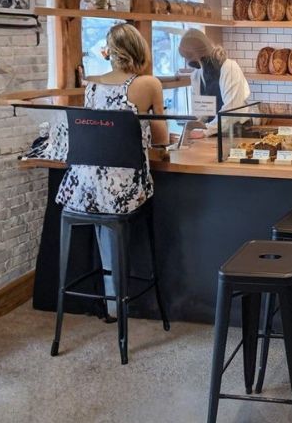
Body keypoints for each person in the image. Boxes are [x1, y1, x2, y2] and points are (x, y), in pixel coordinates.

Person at [55, 23, 167, 319]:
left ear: (109, 53)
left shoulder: (91, 83)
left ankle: (112, 303)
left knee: (104, 218)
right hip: (125, 192)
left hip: (83, 191)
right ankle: (118, 300)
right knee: (118, 206)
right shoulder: (148, 84)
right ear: (139, 51)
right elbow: (161, 138)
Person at [178, 28, 250, 136]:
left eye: (187, 57)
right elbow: (202, 110)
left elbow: (231, 110)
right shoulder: (197, 75)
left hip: (235, 133)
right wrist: (196, 126)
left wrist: (206, 131)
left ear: (198, 54)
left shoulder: (229, 68)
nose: (186, 62)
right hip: (213, 134)